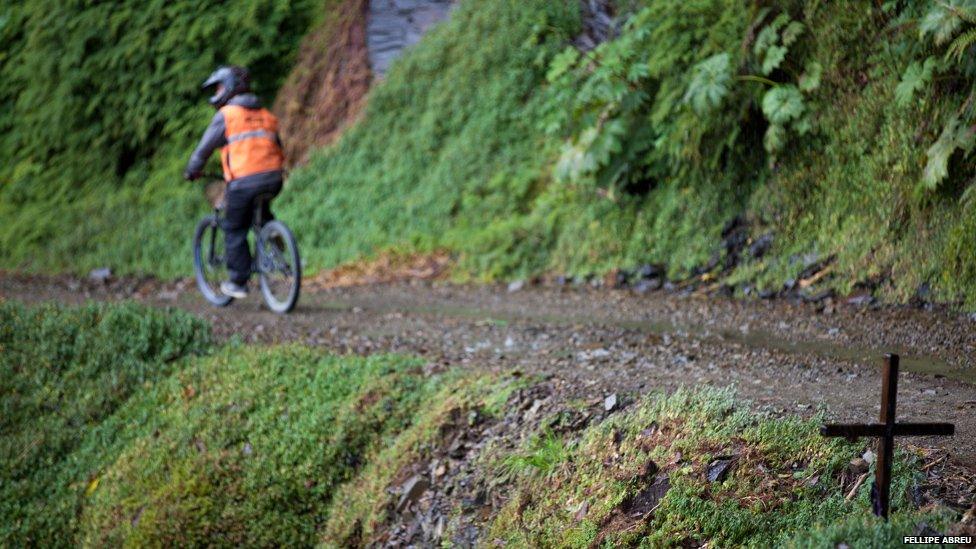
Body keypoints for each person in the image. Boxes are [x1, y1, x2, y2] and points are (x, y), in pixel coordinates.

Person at [184, 66, 285, 299]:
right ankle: (275, 241)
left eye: (219, 86)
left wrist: (192, 170)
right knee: (260, 211)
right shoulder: (265, 114)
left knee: (234, 227)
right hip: (273, 178)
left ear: (229, 87)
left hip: (244, 182)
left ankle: (238, 281)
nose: (217, 91)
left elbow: (204, 149)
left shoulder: (228, 115)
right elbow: (278, 147)